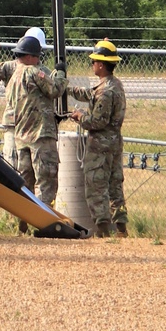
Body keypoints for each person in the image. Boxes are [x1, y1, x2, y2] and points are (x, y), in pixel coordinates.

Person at [68, 37, 127, 238]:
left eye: (94, 61)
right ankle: (121, 227)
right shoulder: (115, 85)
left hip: (100, 145)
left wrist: (79, 117)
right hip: (114, 143)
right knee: (115, 185)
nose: (92, 64)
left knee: (96, 186)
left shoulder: (105, 92)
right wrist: (67, 88)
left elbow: (97, 122)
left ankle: (103, 230)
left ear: (100, 65)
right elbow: (88, 94)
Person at [4, 33, 67, 217]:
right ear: (30, 56)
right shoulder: (33, 71)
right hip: (40, 135)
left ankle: (22, 220)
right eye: (37, 56)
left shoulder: (14, 75)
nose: (39, 59)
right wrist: (61, 73)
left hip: (21, 136)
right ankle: (45, 221)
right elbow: (54, 89)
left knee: (25, 183)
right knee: (46, 181)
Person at [0, 26, 49, 169]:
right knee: (12, 164)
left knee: (32, 168)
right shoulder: (10, 67)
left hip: (35, 127)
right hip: (14, 123)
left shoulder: (43, 71)